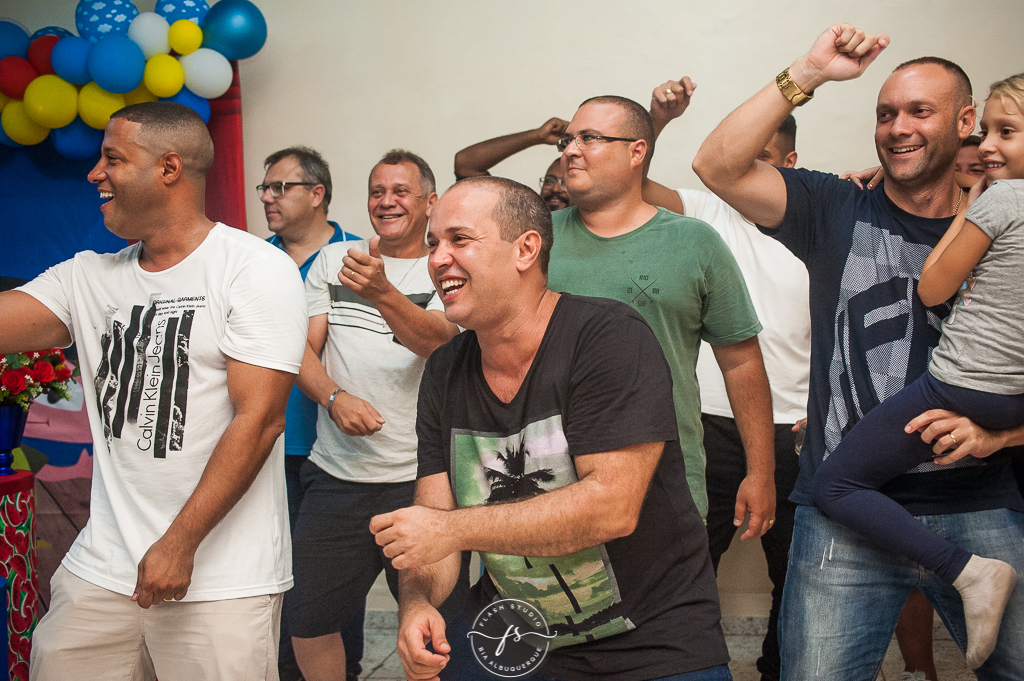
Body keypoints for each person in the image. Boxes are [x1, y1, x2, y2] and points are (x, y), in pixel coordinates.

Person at [693, 24, 1024, 679]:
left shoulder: (1010, 228)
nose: (896, 127)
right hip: (841, 514)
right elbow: (717, 164)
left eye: (918, 112)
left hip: (979, 503)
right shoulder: (836, 205)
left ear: (966, 122)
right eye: (884, 114)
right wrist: (808, 73)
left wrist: (1002, 435)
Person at [372, 175, 732, 680]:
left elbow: (610, 507)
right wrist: (416, 603)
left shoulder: (608, 338)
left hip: (653, 642)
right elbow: (433, 525)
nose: (436, 258)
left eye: (459, 239)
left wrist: (448, 530)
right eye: (433, 243)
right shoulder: (446, 369)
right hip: (516, 638)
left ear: (526, 249)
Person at [5, 101, 308, 680]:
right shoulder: (87, 276)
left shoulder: (251, 269)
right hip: (104, 567)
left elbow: (261, 419)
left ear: (169, 168)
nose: (95, 173)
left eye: (112, 158)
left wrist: (179, 542)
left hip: (220, 580)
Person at [811, 73, 1024, 670]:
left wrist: (974, 199)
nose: (986, 148)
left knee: (835, 484)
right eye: (988, 133)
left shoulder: (1001, 199)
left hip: (958, 384)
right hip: (1012, 405)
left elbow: (932, 288)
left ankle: (969, 572)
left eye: (1005, 133)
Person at [547, 95, 776, 532]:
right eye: (568, 139)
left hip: (666, 484)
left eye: (589, 138)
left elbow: (742, 361)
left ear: (637, 152)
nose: (571, 150)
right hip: (548, 481)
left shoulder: (696, 243)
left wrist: (760, 473)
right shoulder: (535, 239)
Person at [643, 77, 808, 681]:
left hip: (796, 430)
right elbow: (628, 183)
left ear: (788, 164)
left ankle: (779, 670)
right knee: (681, 566)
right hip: (708, 426)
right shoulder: (712, 211)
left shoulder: (817, 226)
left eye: (759, 161)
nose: (742, 173)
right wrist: (656, 120)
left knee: (797, 576)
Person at [287, 150, 469, 681]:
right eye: (376, 191)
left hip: (423, 483)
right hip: (336, 478)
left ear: (430, 202)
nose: (386, 201)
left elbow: (437, 343)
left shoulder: (447, 265)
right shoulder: (332, 259)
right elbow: (300, 350)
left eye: (401, 191)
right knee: (308, 622)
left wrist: (382, 291)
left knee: (436, 625)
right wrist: (334, 397)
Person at [258, 146, 361, 681]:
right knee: (279, 581)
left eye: (282, 187)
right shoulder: (255, 260)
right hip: (268, 445)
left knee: (333, 589)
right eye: (265, 188)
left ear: (317, 194)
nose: (269, 198)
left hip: (338, 453)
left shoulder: (359, 256)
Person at [454, 117, 572, 211]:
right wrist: (538, 136)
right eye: (549, 181)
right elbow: (465, 164)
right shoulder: (523, 222)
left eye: (565, 183)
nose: (555, 189)